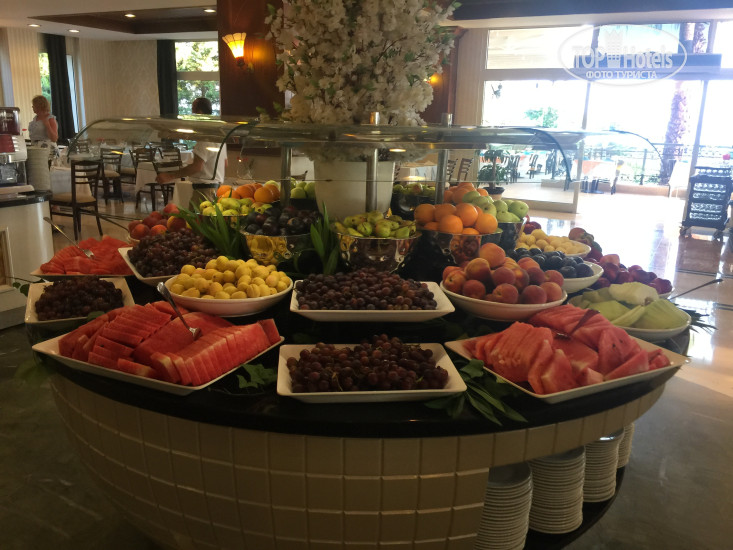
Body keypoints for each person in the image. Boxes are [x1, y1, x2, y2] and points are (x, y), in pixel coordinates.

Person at [155, 97, 227, 186]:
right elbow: (225, 163)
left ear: (199, 113)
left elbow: (196, 167)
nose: (192, 114)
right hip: (217, 185)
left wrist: (170, 176)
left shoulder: (205, 138)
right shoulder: (218, 136)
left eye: (193, 110)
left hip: (205, 187)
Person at [28, 95, 59, 160]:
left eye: (34, 105)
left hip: (48, 150)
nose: (32, 107)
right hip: (36, 149)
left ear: (39, 106)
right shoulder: (35, 118)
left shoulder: (50, 118)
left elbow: (54, 138)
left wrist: (47, 125)